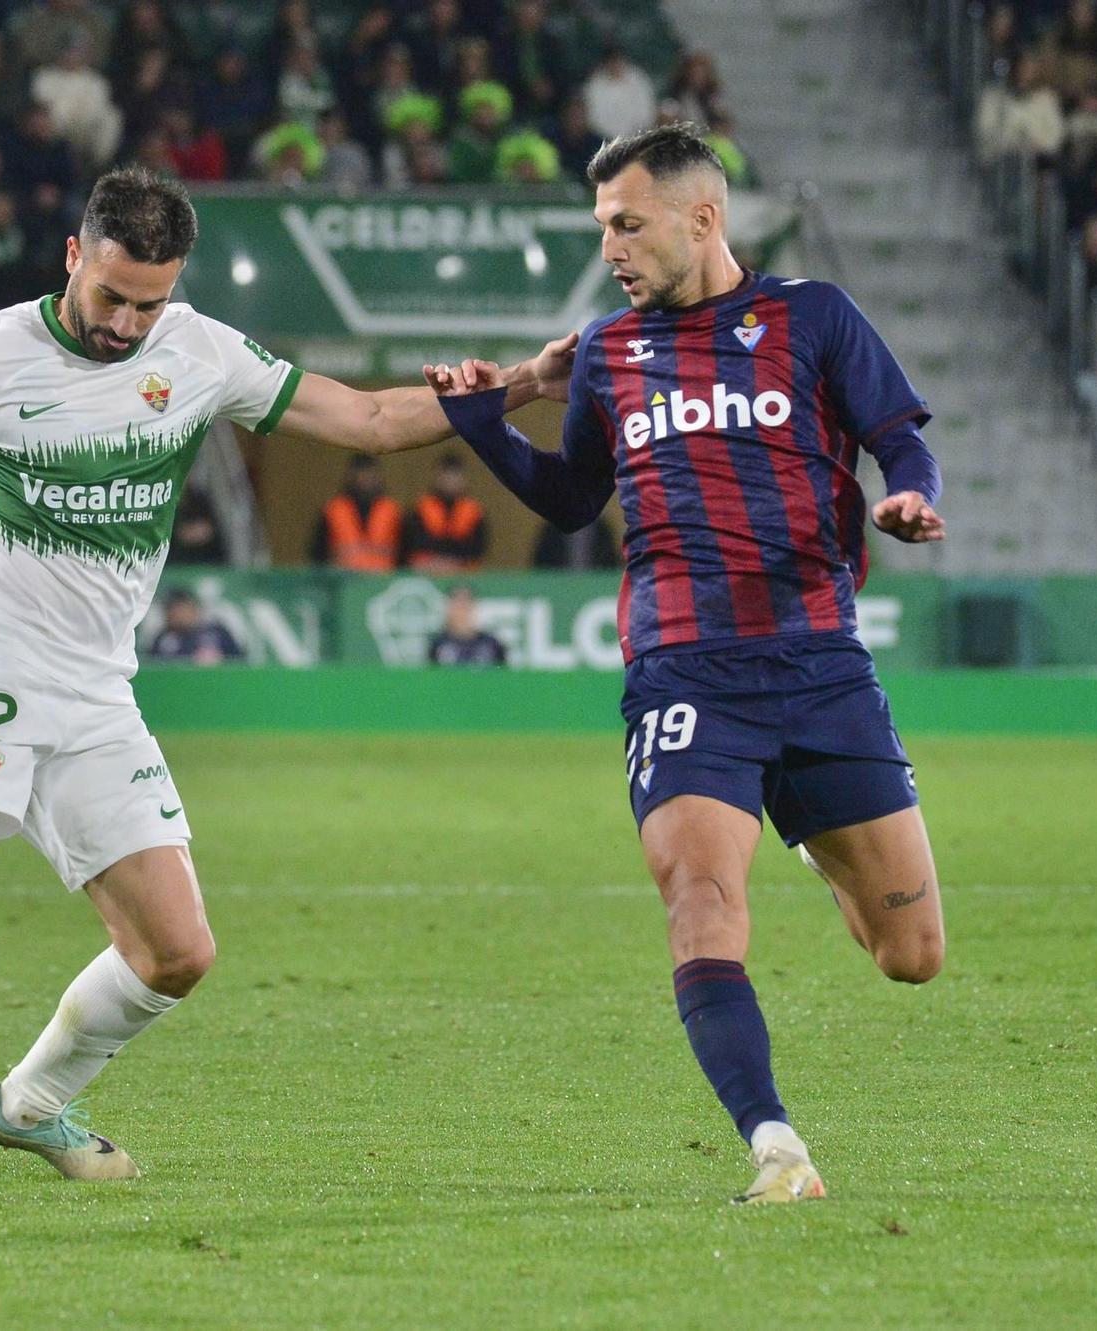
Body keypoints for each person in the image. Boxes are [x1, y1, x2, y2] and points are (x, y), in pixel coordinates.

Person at [0, 166, 573, 1178]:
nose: (127, 323)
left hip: (96, 686)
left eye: (150, 300)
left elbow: (369, 421)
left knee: (177, 949)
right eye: (111, 296)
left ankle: (29, 1100)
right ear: (73, 256)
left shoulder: (200, 351)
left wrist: (521, 382)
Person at [427, 123, 947, 1205]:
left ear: (700, 217)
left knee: (909, 953)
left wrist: (908, 493)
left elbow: (898, 434)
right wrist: (484, 427)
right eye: (600, 227)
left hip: (818, 662)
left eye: (625, 223)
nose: (609, 245)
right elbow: (574, 496)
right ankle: (774, 1144)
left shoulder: (811, 317)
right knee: (700, 901)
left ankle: (809, 835)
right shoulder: (609, 352)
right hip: (682, 672)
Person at [312, 453, 402, 570]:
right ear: (351, 476)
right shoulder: (334, 510)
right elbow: (318, 556)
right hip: (344, 583)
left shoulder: (392, 511)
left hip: (383, 582)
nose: (365, 479)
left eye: (370, 473)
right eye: (362, 473)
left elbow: (404, 553)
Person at [405, 452, 487, 573]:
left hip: (463, 573)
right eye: (445, 475)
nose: (449, 481)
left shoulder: (474, 512)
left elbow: (477, 548)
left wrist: (453, 562)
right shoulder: (421, 509)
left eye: (454, 475)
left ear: (463, 479)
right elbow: (414, 544)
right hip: (428, 571)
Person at [147, 588, 244, 665]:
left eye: (181, 609)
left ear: (194, 608)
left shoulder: (217, 632)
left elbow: (240, 661)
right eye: (172, 609)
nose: (177, 614)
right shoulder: (163, 639)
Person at [427, 584, 505, 666]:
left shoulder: (490, 644)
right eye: (457, 603)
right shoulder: (438, 644)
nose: (462, 609)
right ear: (449, 608)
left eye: (466, 603)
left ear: (474, 606)